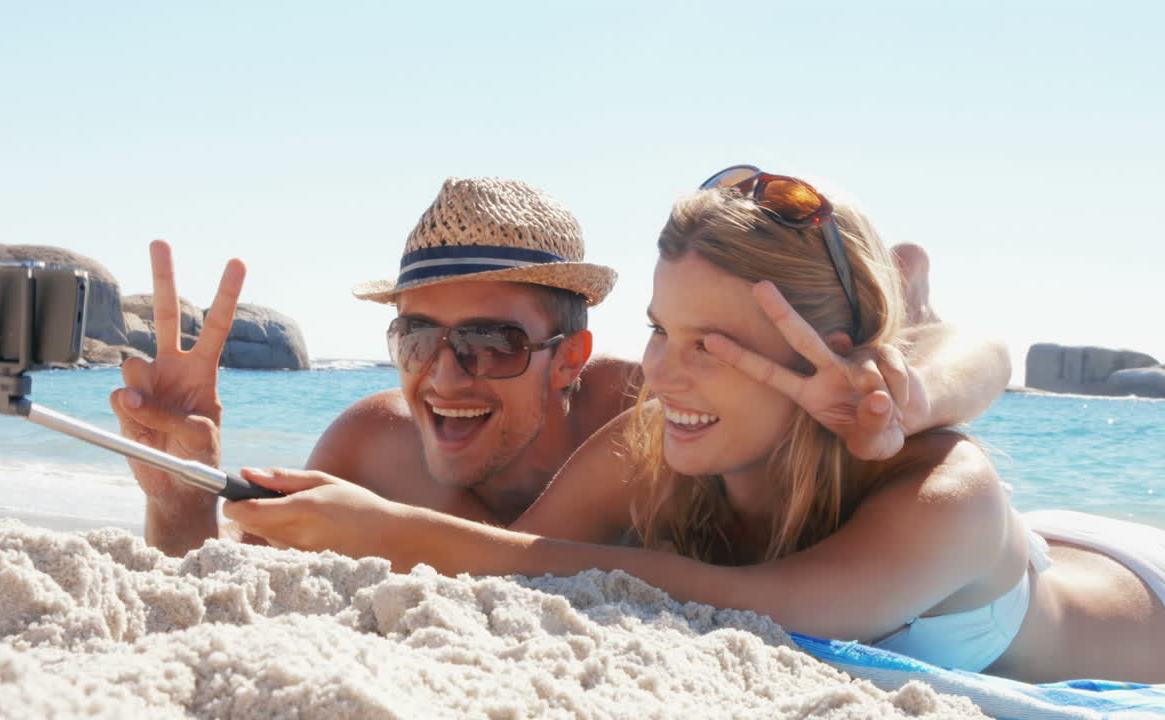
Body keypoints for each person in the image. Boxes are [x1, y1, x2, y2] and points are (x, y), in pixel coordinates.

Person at [217, 167, 1165, 683]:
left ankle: (904, 313)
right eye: (662, 331)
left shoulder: (942, 494)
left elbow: (776, 604)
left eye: (713, 344)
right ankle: (901, 309)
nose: (664, 373)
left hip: (1126, 583)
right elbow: (518, 554)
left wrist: (394, 530)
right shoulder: (659, 442)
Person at [112, 176, 1009, 557]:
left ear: (571, 355)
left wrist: (912, 386)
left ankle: (910, 287)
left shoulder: (654, 415)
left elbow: (969, 362)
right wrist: (180, 495)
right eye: (419, 339)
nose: (446, 377)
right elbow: (218, 585)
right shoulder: (367, 449)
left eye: (493, 343)